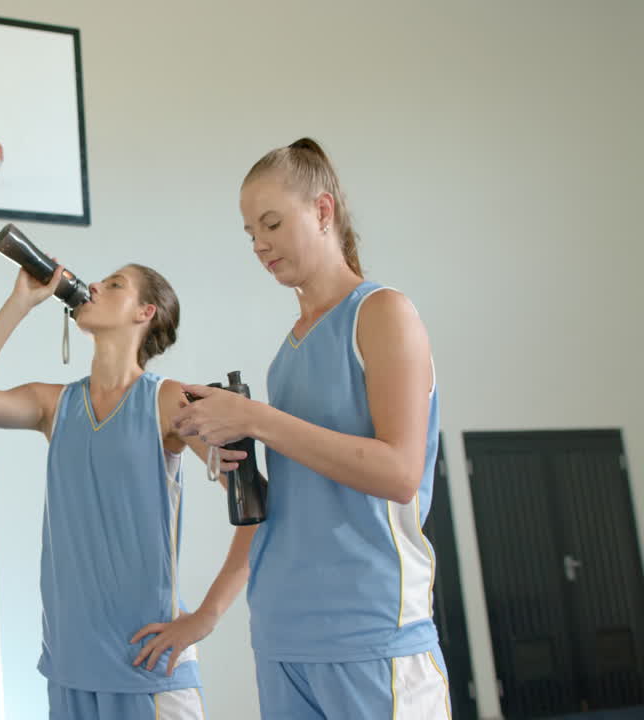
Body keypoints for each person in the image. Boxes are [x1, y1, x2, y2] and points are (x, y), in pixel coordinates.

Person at [175, 138, 451, 718]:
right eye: (250, 232)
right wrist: (233, 465)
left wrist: (257, 418)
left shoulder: (382, 314)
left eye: (272, 223)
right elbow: (296, 501)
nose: (259, 244)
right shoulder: (287, 354)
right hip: (283, 635)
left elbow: (400, 474)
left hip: (371, 634)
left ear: (323, 211)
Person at [0, 262, 254, 720]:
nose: (94, 287)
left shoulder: (167, 400)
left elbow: (257, 505)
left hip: (148, 667)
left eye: (114, 285)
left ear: (144, 312)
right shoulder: (54, 404)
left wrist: (206, 616)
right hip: (69, 666)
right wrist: (20, 303)